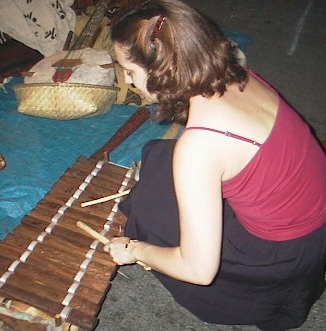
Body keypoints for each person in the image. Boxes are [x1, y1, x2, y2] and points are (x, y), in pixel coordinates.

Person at [103, 1, 326, 330]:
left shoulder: (201, 145)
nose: (129, 81)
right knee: (161, 157)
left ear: (163, 68)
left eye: (131, 71)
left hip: (283, 255)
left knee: (149, 213)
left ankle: (254, 297)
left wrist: (136, 250)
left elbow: (198, 270)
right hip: (315, 223)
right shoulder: (240, 76)